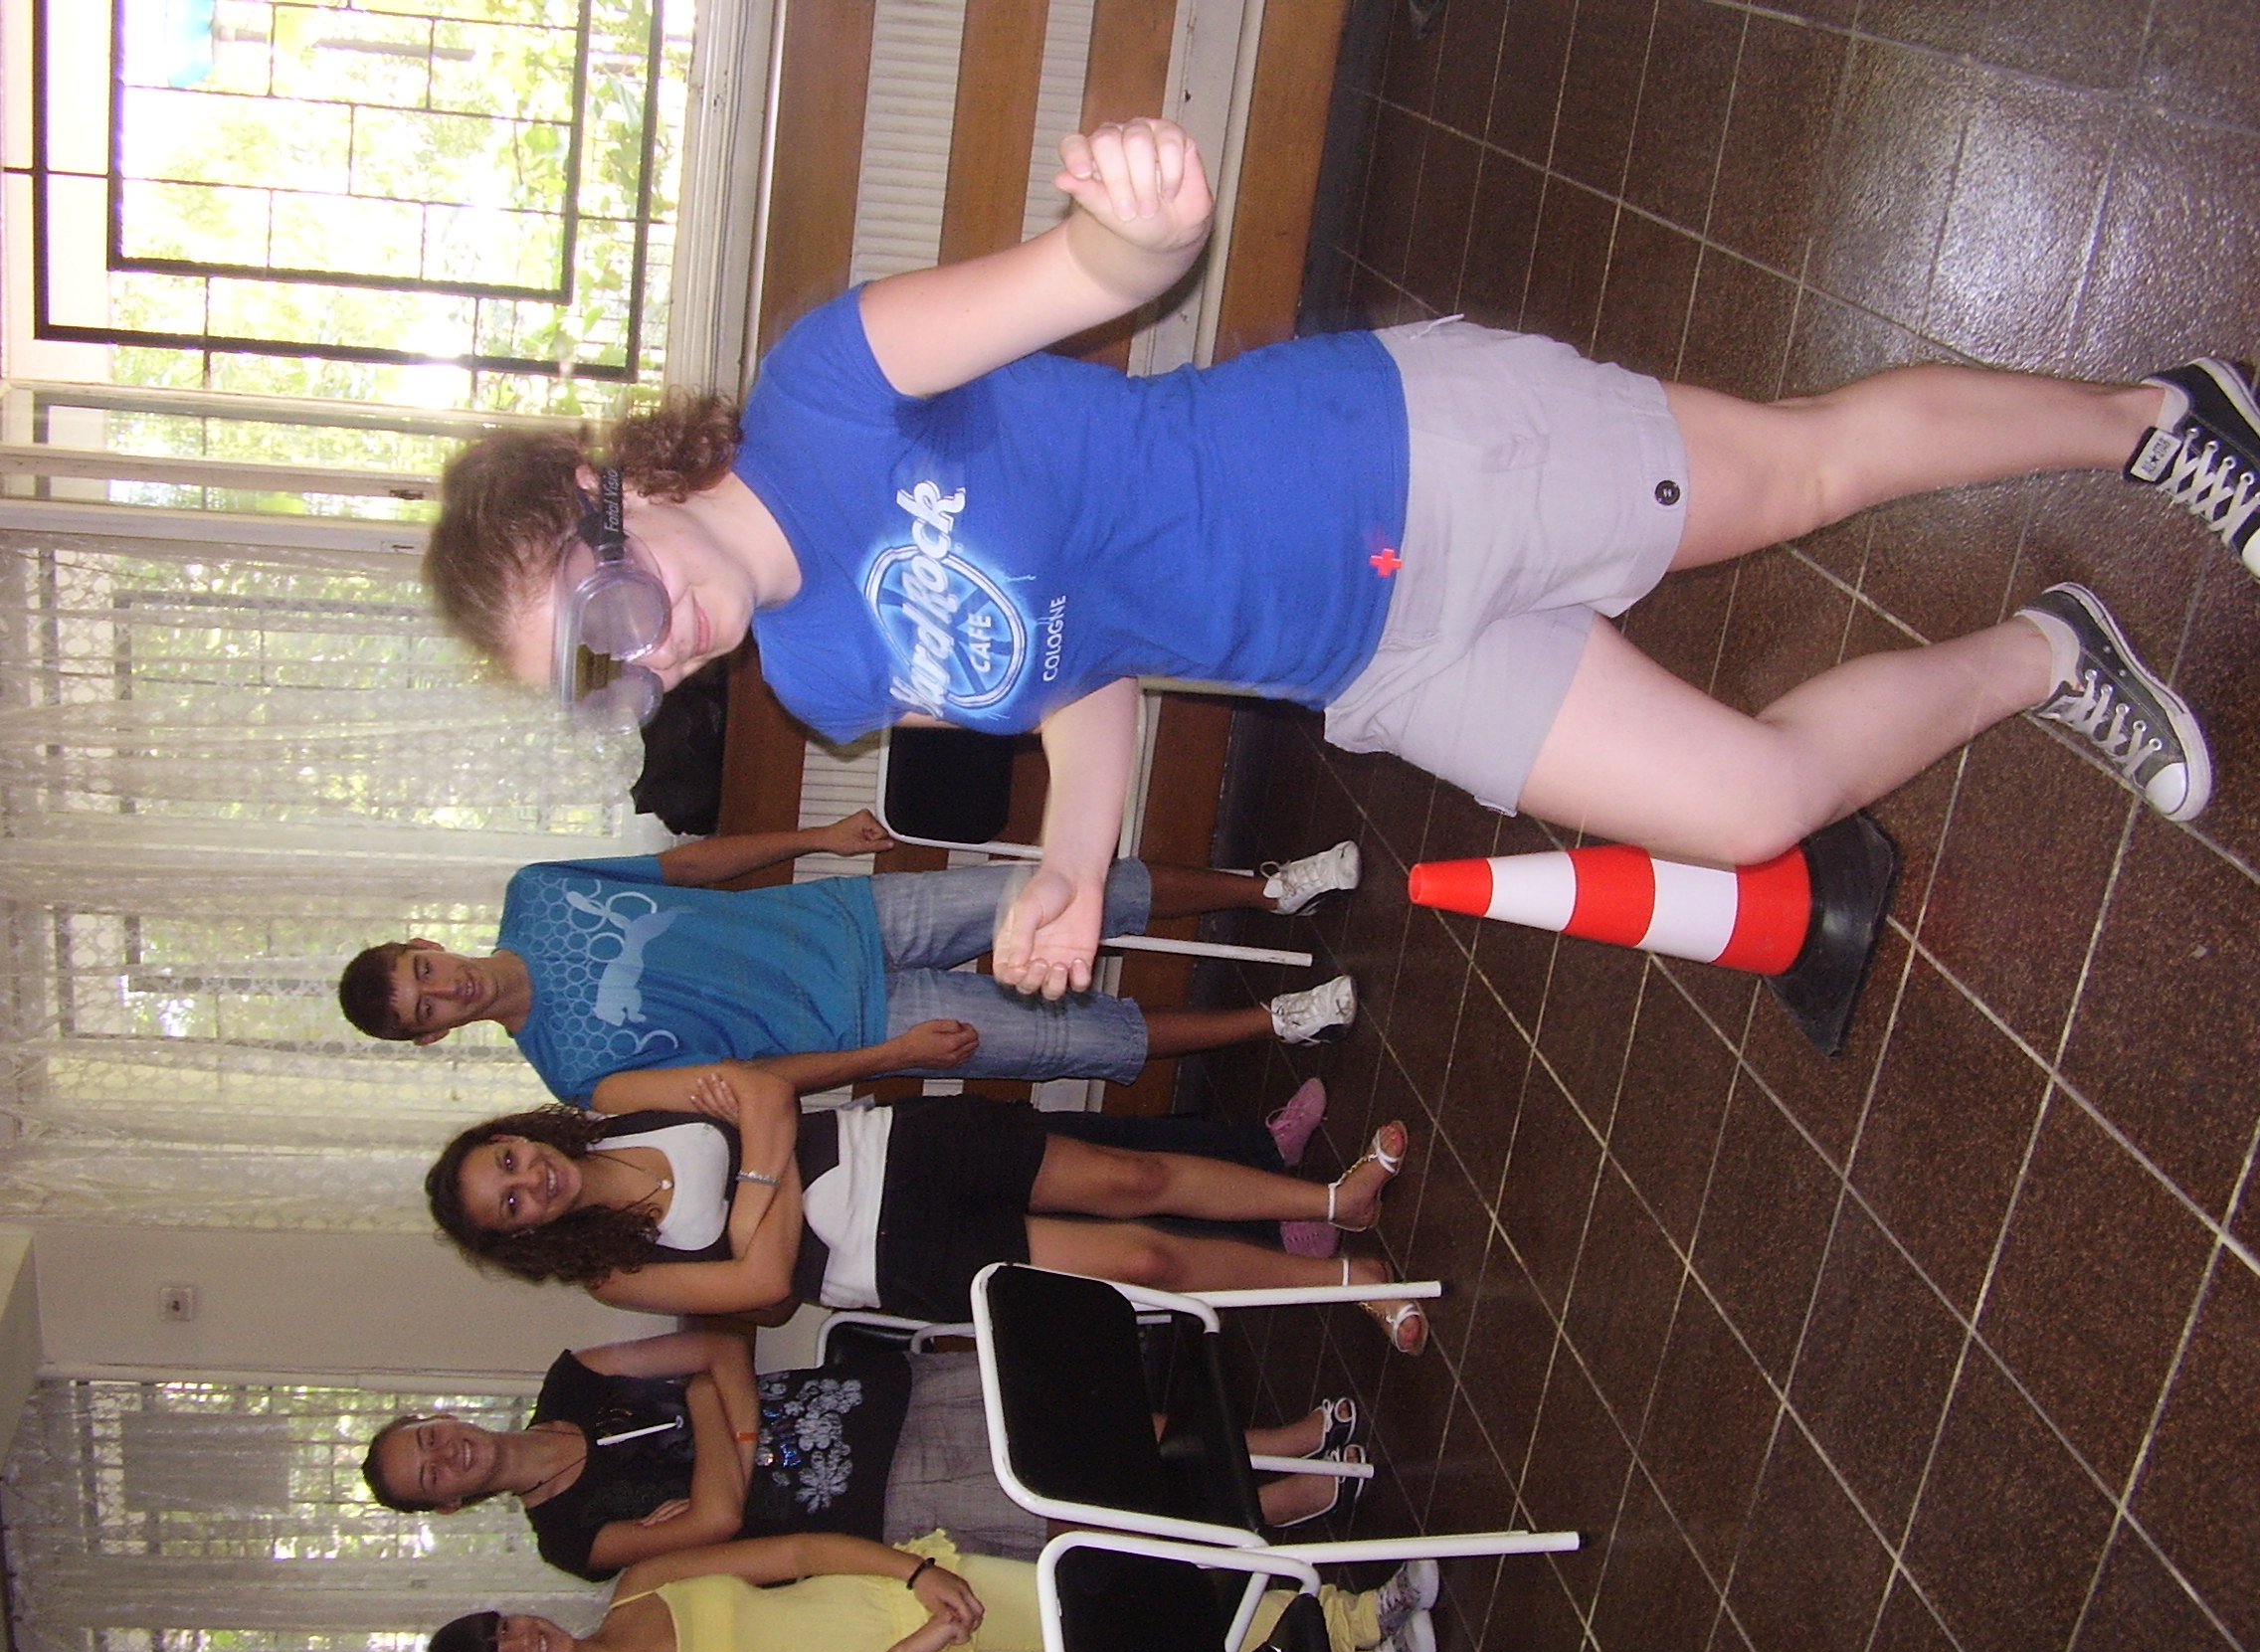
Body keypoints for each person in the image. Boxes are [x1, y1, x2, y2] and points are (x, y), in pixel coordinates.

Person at [422, 115, 2248, 1008]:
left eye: (605, 619)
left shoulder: (829, 390)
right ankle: (2048, 650)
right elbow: (1076, 668)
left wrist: (1136, 231)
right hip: (1370, 663)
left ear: (606, 493)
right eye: (606, 686)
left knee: (1808, 471)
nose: (649, 661)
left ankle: (2159, 416)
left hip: (1398, 459)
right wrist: (1074, 861)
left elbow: (1088, 279)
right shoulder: (818, 676)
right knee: (1754, 808)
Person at [336, 806, 1361, 1104]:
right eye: (428, 1009)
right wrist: (886, 1060)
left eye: (424, 971)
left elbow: (682, 866)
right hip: (864, 1023)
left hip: (846, 919)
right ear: (433, 1038)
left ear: (426, 943)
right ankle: (1279, 1019)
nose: (446, 989)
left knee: (1061, 891)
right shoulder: (574, 1074)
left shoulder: (539, 890)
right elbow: (745, 1085)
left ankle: (1269, 889)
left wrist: (816, 839)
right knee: (1081, 1042)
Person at [424, 1060, 1429, 1353]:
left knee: (1134, 1178)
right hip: (899, 1260)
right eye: (510, 1203)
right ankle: (1349, 1283)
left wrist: (755, 1198)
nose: (528, 1179)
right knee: (1143, 1262)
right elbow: (767, 1288)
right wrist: (766, 1169)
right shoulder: (613, 1275)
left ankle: (1333, 1199)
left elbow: (766, 1089)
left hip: (900, 1145)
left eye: (508, 1159)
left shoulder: (613, 1102)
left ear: (519, 1133)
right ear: (523, 1236)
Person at [362, 1333, 1369, 1575]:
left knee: (1091, 1428)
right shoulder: (570, 1540)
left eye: (428, 1437)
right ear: (448, 1505)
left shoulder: (574, 1377)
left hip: (876, 1397)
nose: (447, 1453)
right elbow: (718, 1522)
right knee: (1082, 1508)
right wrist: (719, 1414)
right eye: (432, 1474)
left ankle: (1281, 1444)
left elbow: (721, 1348)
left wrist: (723, 1427)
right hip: (874, 1504)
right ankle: (1272, 1510)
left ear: (439, 1416)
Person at [421, 1539, 1442, 1652]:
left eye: (503, 1629)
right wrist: (915, 1650)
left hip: (903, 1594)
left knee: (1129, 1605)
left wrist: (911, 1575)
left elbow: (793, 1552)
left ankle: (1349, 1614)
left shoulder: (640, 1583)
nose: (523, 1644)